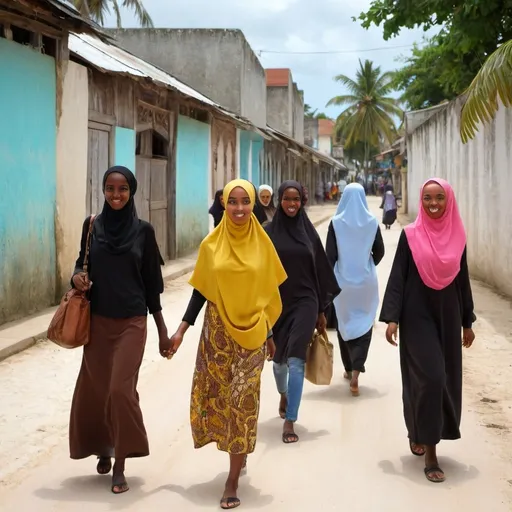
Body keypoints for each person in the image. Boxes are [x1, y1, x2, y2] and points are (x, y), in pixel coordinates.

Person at [168, 179, 287, 509]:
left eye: (244, 202)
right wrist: (181, 331)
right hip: (218, 333)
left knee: (242, 400)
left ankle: (232, 479)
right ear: (223, 204)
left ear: (253, 205)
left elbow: (268, 294)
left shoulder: (264, 245)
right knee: (222, 397)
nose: (238, 208)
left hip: (252, 334)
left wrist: (270, 335)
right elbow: (201, 291)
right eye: (231, 202)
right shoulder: (211, 245)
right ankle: (238, 454)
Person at [69, 166, 171, 494]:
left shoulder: (143, 231)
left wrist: (162, 331)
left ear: (132, 191)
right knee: (97, 390)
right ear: (103, 190)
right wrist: (76, 278)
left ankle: (120, 463)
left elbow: (152, 287)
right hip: (97, 322)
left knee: (119, 390)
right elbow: (79, 263)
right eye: (110, 189)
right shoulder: (91, 226)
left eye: (123, 189)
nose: (116, 195)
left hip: (132, 322)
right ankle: (103, 445)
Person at [379, 178, 476, 484]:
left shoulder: (458, 237)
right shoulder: (411, 235)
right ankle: (431, 452)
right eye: (427, 198)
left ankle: (419, 430)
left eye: (439, 198)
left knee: (440, 379)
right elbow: (398, 276)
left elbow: (463, 282)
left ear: (449, 201)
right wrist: (392, 317)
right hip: (416, 315)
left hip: (448, 315)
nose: (433, 203)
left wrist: (467, 321)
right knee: (431, 377)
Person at [265, 180, 340, 443]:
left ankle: (290, 420)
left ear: (302, 201)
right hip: (276, 303)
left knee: (296, 360)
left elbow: (320, 271)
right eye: (287, 199)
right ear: (279, 200)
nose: (292, 204)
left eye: (296, 199)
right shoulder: (266, 233)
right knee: (278, 363)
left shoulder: (309, 233)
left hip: (305, 302)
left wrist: (321, 310)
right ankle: (283, 393)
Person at [326, 183, 384, 396]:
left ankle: (349, 368)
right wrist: (366, 265)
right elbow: (380, 251)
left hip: (343, 283)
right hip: (365, 283)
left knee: (345, 322)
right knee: (365, 323)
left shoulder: (336, 223)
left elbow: (329, 255)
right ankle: (357, 371)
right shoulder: (372, 222)